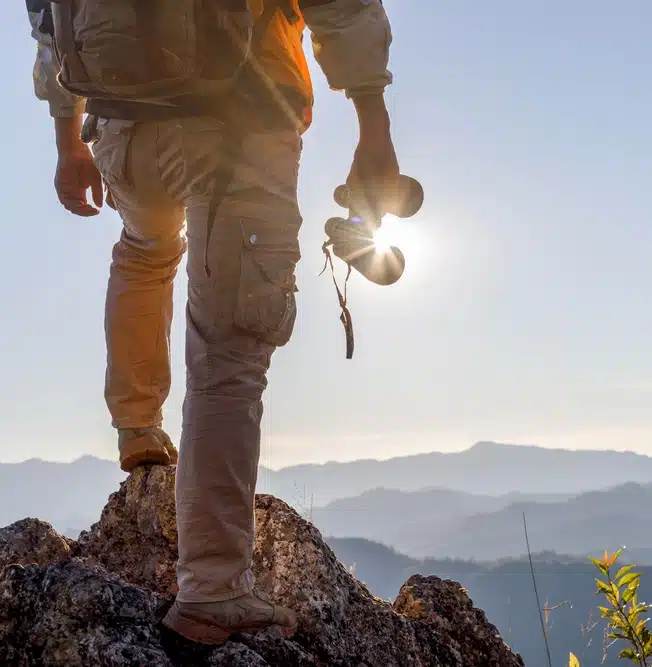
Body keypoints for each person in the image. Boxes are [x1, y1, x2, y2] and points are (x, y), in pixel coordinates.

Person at [25, 0, 403, 645]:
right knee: (229, 356)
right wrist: (374, 126)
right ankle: (214, 587)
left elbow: (48, 27)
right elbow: (343, 10)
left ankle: (137, 424)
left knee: (145, 254)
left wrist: (68, 142)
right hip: (238, 126)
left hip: (122, 132)